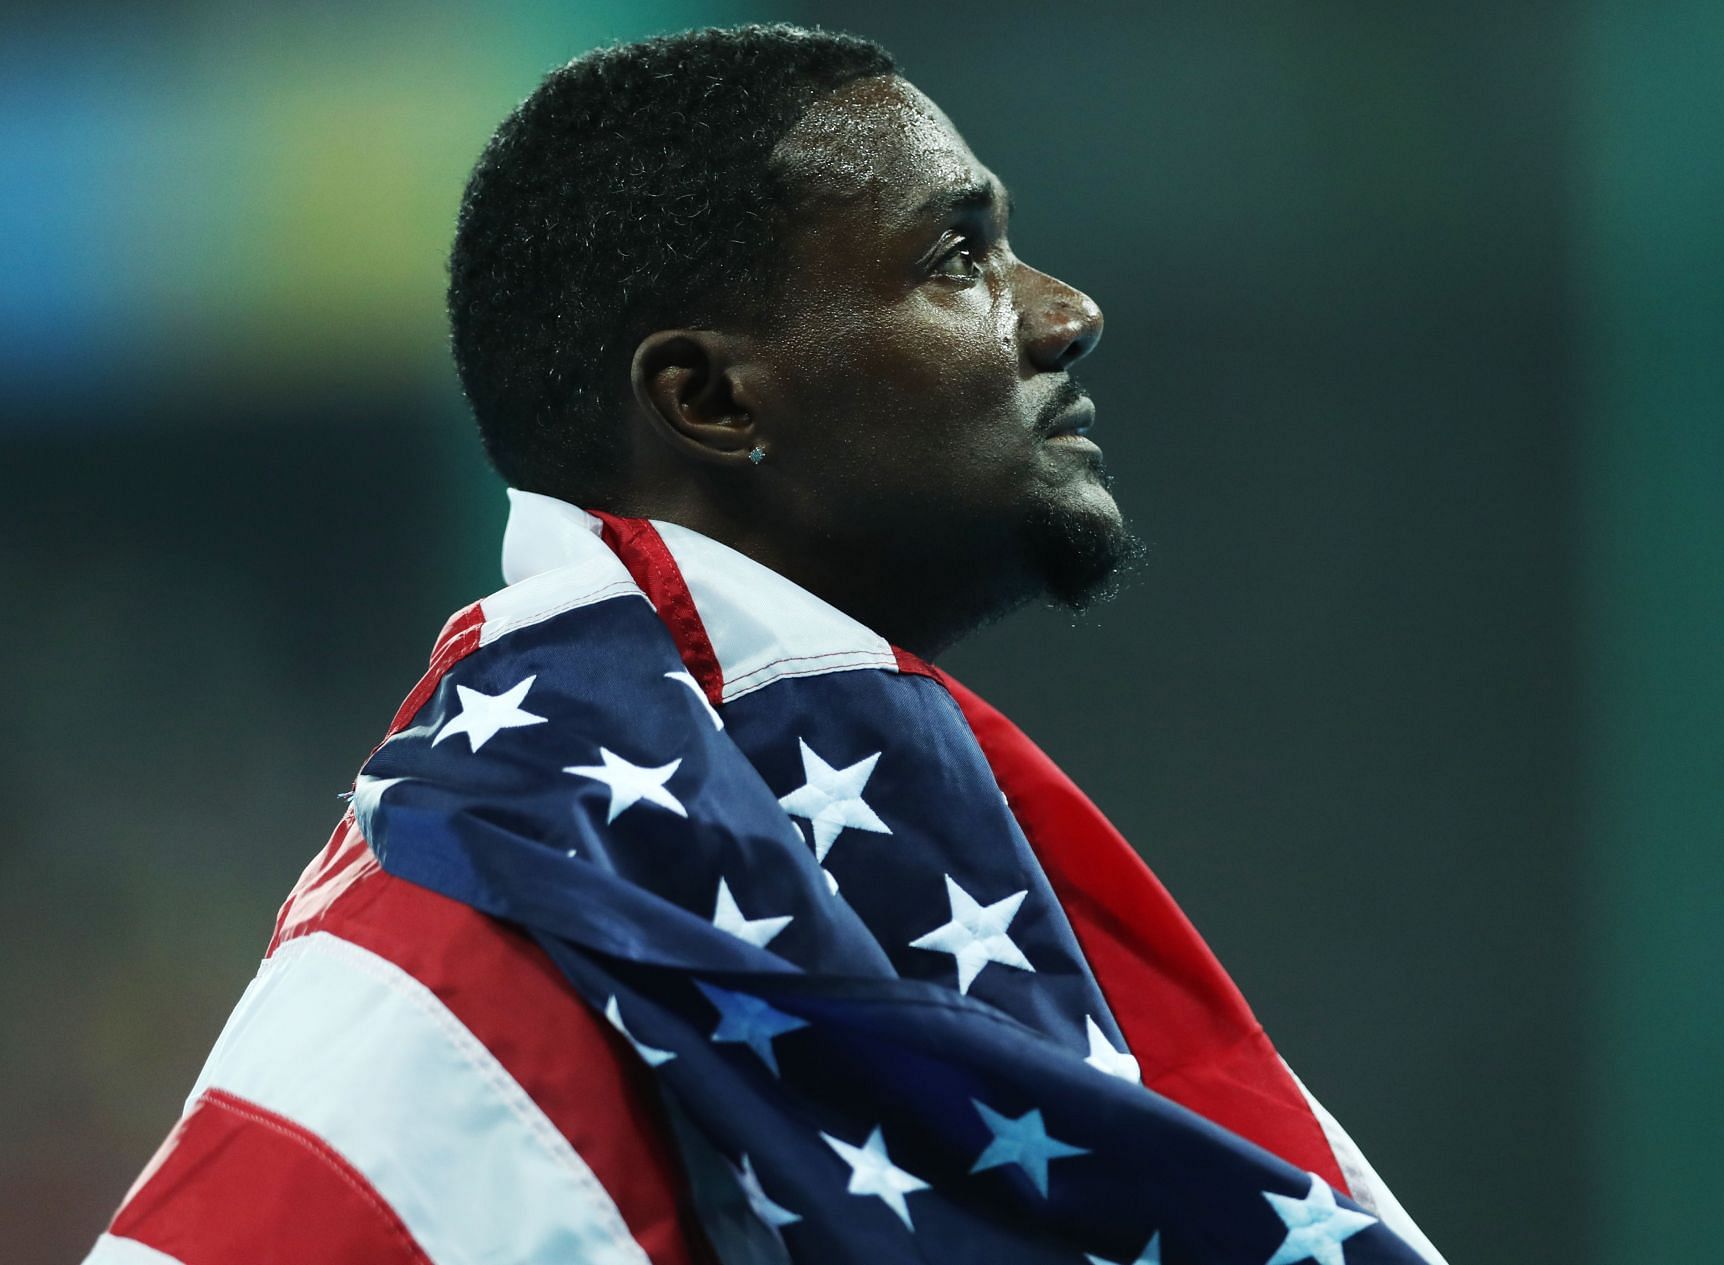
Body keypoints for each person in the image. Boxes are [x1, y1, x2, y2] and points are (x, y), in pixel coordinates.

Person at [86, 24, 1447, 1265]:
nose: (1062, 311)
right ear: (709, 395)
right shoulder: (487, 932)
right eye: (957, 256)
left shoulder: (838, 825)